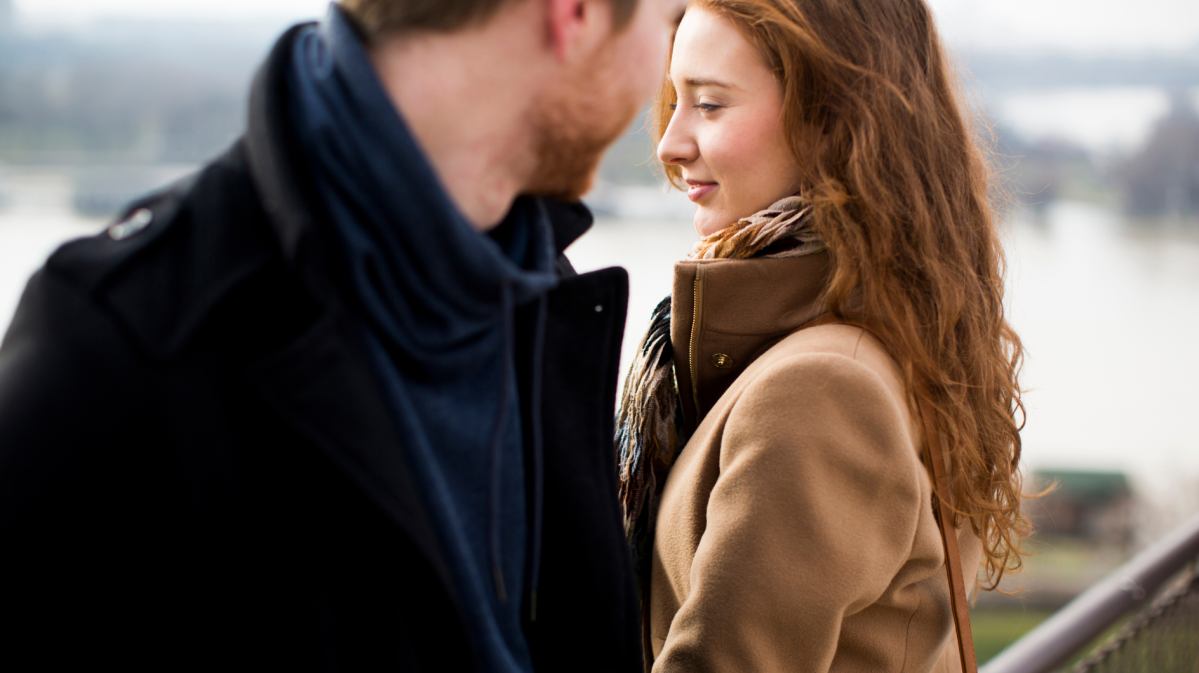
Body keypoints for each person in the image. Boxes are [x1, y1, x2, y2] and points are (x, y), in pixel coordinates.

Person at [0, 0, 685, 669]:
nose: (661, 75)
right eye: (667, 20)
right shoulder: (114, 349)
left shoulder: (541, 285)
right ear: (575, 15)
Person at [616, 0, 1028, 671]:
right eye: (675, 98)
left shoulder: (820, 389)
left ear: (829, 116)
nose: (669, 142)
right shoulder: (883, 323)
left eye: (710, 104)